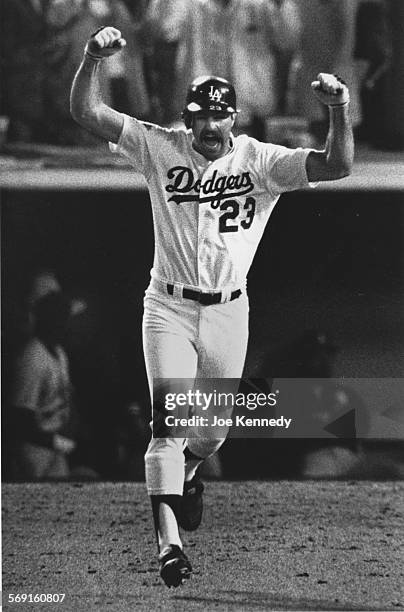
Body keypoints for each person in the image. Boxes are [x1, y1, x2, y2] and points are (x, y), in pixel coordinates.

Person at [70, 26, 354, 587]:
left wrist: (339, 108)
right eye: (198, 116)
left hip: (229, 310)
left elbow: (337, 165)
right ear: (187, 118)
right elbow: (89, 113)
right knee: (168, 427)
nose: (207, 126)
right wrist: (91, 60)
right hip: (168, 307)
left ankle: (190, 477)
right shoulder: (161, 145)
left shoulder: (260, 160)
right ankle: (168, 548)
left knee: (212, 434)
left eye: (217, 116)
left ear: (234, 119)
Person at [8, 272, 82, 481]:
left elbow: (68, 397)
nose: (66, 324)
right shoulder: (31, 358)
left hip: (56, 449)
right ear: (48, 319)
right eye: (61, 317)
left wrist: (71, 430)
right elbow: (20, 420)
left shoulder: (59, 352)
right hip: (33, 455)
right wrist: (60, 442)